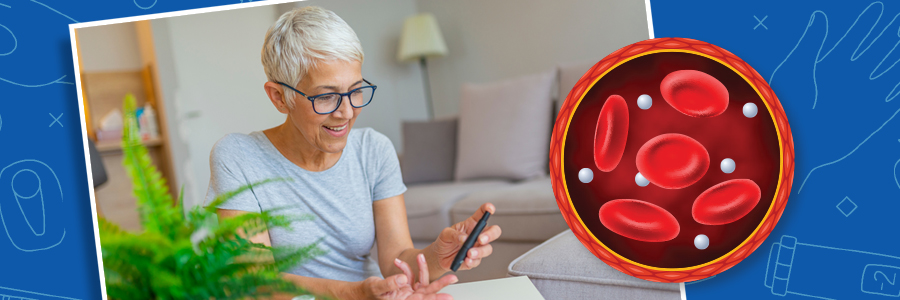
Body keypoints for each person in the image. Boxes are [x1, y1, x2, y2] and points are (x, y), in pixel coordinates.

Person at [206, 6, 502, 300]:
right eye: (326, 96)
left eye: (356, 90)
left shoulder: (373, 150)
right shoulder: (239, 157)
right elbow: (253, 282)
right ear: (280, 97)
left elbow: (396, 259)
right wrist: (353, 293)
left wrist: (439, 256)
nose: (347, 112)